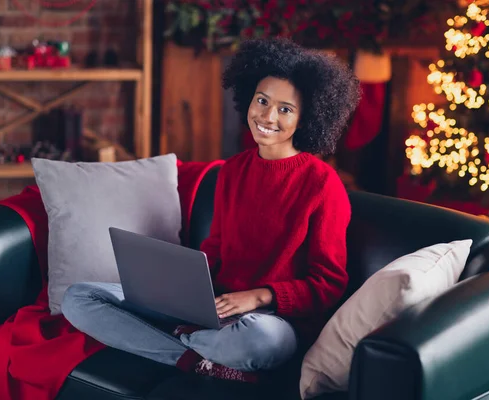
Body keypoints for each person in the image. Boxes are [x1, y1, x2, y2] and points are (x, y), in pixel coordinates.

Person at [61, 38, 361, 375]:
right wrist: (180, 290)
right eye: (261, 100)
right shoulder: (231, 170)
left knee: (261, 343)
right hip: (212, 307)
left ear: (307, 118)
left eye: (285, 109)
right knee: (79, 297)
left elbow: (328, 284)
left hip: (269, 320)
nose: (267, 116)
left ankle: (175, 343)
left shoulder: (323, 184)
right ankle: (191, 357)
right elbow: (216, 249)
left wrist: (259, 296)